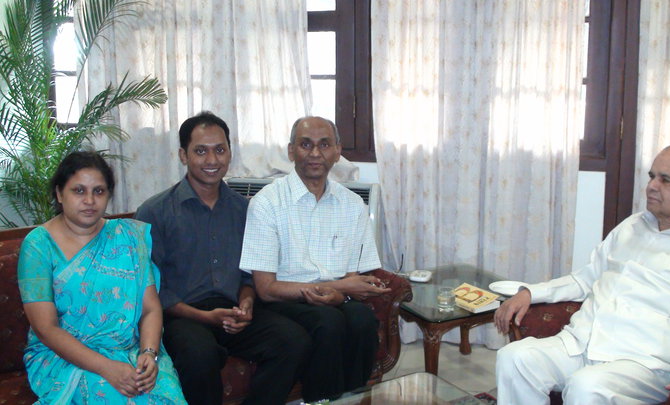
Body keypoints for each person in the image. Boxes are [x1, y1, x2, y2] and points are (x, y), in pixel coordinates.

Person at [493, 143, 670, 405]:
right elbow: (586, 279)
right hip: (581, 343)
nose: (652, 186)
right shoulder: (632, 226)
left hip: (644, 365)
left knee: (586, 386)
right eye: (652, 176)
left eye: (665, 180)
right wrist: (530, 293)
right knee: (514, 358)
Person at [135, 111, 308, 405]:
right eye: (200, 151)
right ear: (183, 155)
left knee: (293, 340)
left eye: (219, 149)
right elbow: (149, 285)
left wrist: (246, 303)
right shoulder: (155, 212)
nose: (212, 160)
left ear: (229, 153)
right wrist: (204, 317)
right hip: (182, 316)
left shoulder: (245, 209)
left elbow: (250, 274)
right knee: (198, 354)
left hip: (231, 311)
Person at [239, 116, 391, 402]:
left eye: (324, 145)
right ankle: (320, 400)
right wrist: (340, 288)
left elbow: (353, 276)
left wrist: (340, 293)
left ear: (337, 151)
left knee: (361, 319)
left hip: (336, 297)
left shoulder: (352, 204)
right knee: (328, 323)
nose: (315, 153)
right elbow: (266, 289)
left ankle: (351, 400)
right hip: (283, 301)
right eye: (306, 145)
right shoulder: (267, 203)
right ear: (291, 151)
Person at [17, 151, 186, 404]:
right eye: (79, 191)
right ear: (60, 194)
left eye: (98, 191)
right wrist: (107, 368)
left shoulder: (128, 237)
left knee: (164, 394)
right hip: (63, 356)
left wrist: (149, 354)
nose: (89, 200)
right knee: (116, 395)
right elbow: (46, 329)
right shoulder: (39, 246)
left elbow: (150, 308)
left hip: (130, 350)